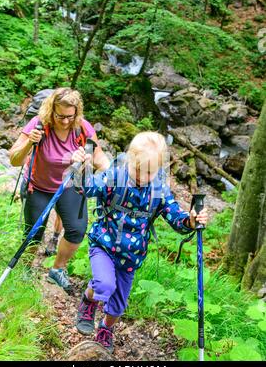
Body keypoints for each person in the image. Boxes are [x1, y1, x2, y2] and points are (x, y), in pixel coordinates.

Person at [71, 131, 208, 352]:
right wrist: (80, 167)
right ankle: (88, 301)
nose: (142, 177)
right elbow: (87, 188)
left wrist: (191, 221)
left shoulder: (158, 190)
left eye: (149, 173)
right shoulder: (114, 176)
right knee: (104, 285)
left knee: (117, 305)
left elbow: (176, 218)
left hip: (131, 255)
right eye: (137, 169)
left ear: (158, 170)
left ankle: (106, 328)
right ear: (129, 159)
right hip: (104, 245)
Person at [9, 87, 110, 291]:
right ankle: (26, 268)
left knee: (76, 230)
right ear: (51, 110)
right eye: (60, 116)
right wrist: (30, 142)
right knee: (33, 232)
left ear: (76, 113)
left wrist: (108, 174)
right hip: (38, 186)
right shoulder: (38, 125)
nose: (65, 121)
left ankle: (57, 269)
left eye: (69, 117)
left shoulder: (82, 128)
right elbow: (14, 159)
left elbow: (100, 158)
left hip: (70, 185)